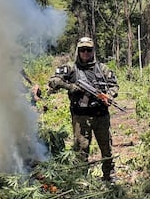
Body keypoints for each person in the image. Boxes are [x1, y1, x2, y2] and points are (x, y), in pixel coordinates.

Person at [48, 36, 120, 182]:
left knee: (106, 148)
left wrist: (109, 96)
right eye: (82, 50)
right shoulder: (71, 68)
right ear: (78, 51)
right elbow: (53, 81)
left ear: (93, 51)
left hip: (101, 115)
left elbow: (114, 85)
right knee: (81, 149)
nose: (85, 53)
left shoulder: (102, 68)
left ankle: (109, 175)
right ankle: (81, 179)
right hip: (81, 117)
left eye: (89, 50)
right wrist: (71, 87)